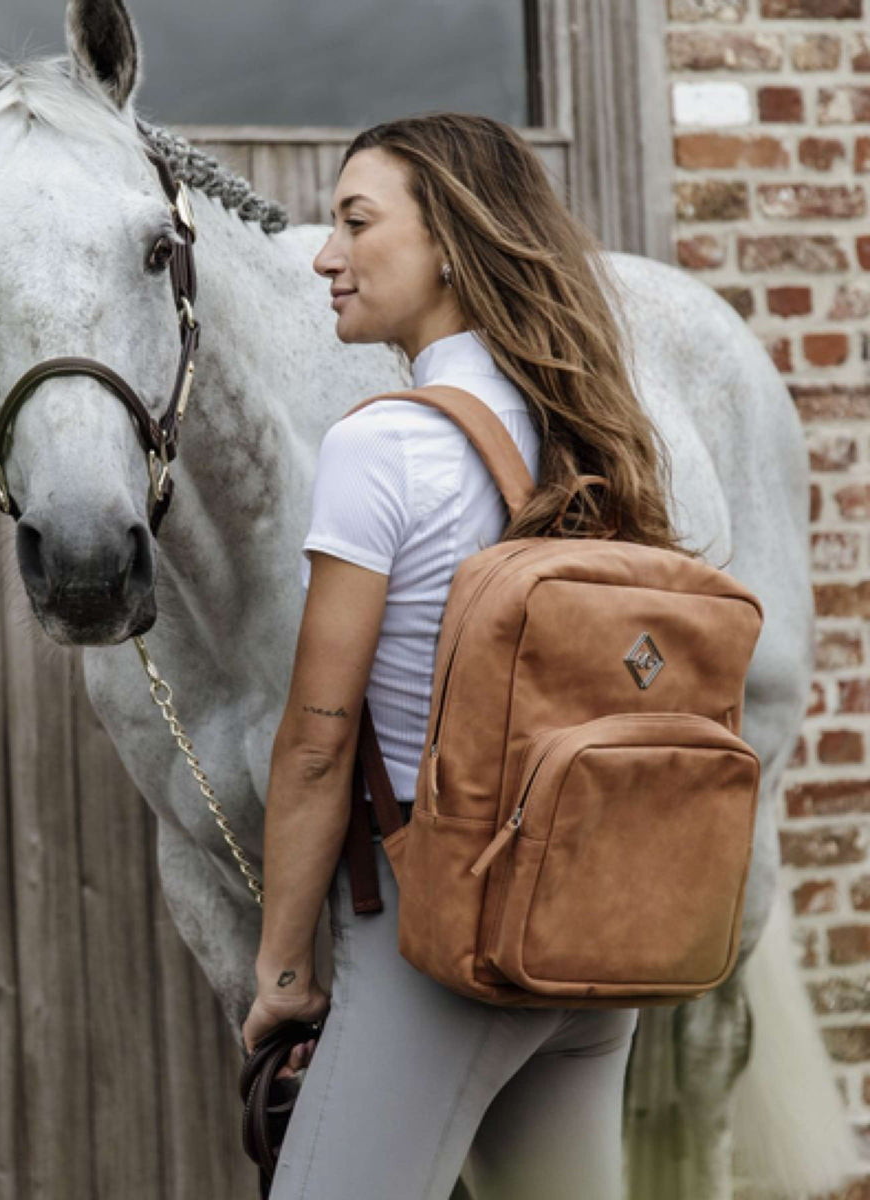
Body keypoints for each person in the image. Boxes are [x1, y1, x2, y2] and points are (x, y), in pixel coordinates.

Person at [239, 112, 687, 1199]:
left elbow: (316, 742)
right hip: (596, 939)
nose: (324, 254)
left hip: (446, 953)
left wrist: (284, 970)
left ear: (447, 239)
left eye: (355, 221)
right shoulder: (587, 426)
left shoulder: (381, 443)